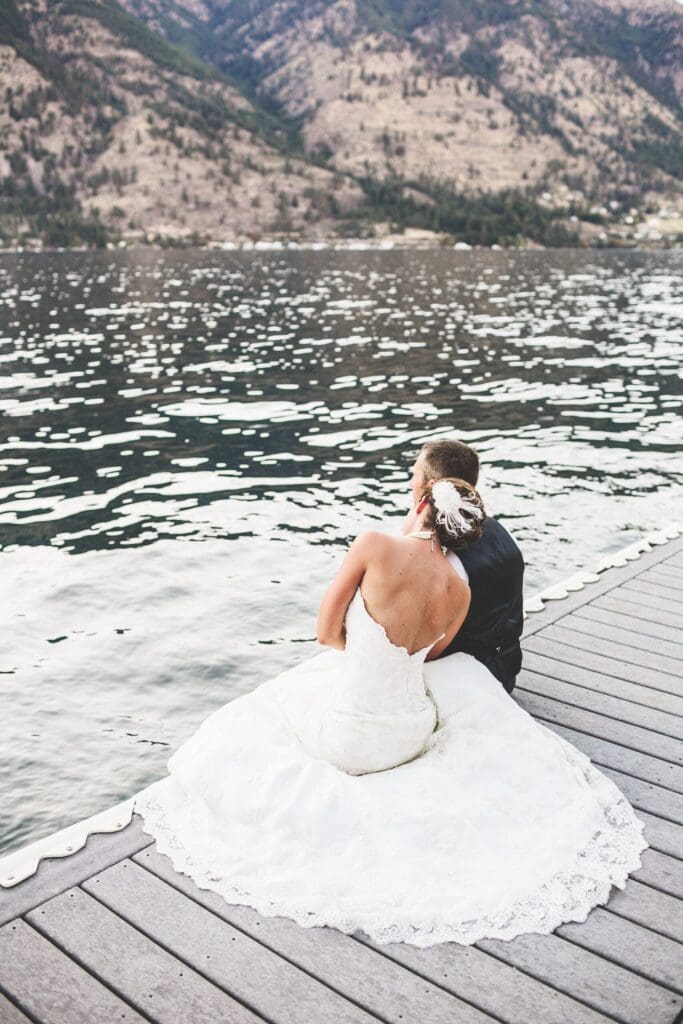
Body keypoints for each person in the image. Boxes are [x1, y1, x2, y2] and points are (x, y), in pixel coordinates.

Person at [135, 475, 647, 947]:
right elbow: (432, 655)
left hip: (350, 735)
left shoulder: (374, 544)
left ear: (421, 503)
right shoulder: (460, 589)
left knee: (264, 711)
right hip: (412, 731)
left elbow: (325, 633)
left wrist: (366, 649)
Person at [410, 438, 524, 693]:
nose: (410, 482)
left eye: (414, 474)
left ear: (432, 486)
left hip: (462, 686)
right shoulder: (497, 530)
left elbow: (422, 644)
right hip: (505, 674)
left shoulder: (441, 555)